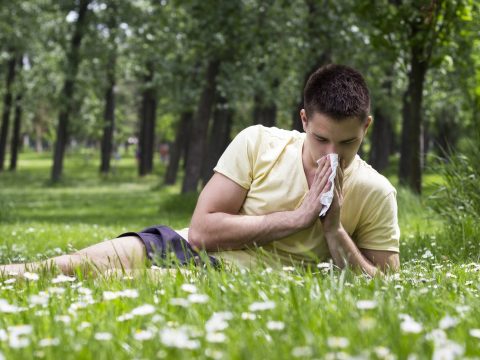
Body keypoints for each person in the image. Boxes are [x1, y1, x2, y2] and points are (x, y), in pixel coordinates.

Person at [0, 64, 399, 279]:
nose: (332, 155)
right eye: (320, 139)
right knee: (60, 267)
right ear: (303, 120)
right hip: (188, 248)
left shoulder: (376, 192)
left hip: (237, 278)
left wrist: (333, 230)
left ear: (366, 127)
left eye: (347, 143)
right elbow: (204, 230)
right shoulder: (259, 142)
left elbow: (384, 286)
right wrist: (297, 218)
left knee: (112, 281)